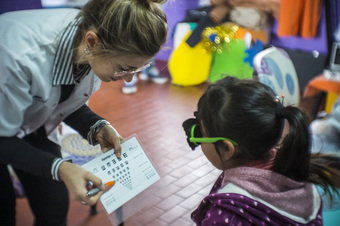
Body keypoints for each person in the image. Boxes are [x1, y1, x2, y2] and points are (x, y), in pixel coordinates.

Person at [0, 0, 168, 225]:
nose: (129, 79)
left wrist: (97, 126)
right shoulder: (19, 57)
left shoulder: (92, 39)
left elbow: (57, 100)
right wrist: (60, 168)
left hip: (28, 120)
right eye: (125, 68)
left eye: (139, 69)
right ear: (92, 41)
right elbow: (2, 138)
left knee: (54, 206)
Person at [182, 76, 340, 225]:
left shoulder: (224, 216)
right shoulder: (295, 169)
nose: (197, 137)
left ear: (226, 148)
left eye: (201, 132)